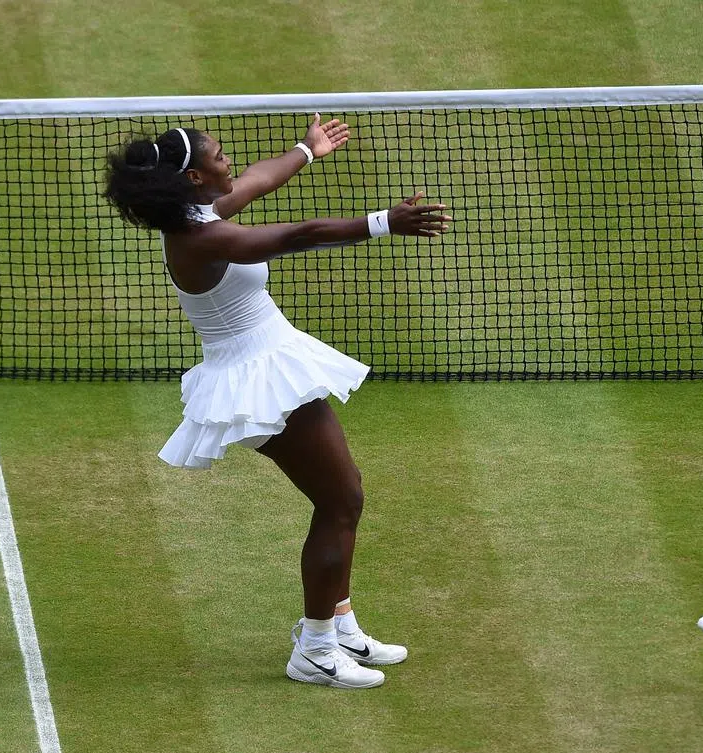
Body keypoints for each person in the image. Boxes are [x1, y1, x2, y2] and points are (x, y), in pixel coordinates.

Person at [103, 115, 450, 689]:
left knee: (343, 496)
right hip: (257, 379)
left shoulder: (197, 213)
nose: (227, 161)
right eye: (217, 156)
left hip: (269, 359)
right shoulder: (202, 237)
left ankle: (336, 622)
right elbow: (296, 235)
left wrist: (307, 150)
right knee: (340, 501)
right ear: (193, 177)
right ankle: (315, 649)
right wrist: (385, 222)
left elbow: (261, 179)